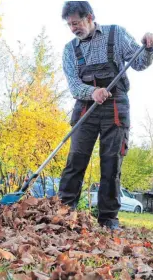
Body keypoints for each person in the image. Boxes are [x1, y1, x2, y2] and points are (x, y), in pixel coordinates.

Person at [58, 1, 153, 230]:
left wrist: (149, 47)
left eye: (76, 23)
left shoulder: (116, 34)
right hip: (85, 107)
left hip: (115, 107)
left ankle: (108, 219)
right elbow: (73, 85)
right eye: (69, 25)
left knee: (111, 163)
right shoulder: (70, 49)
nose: (73, 28)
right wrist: (93, 92)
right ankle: (63, 212)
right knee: (76, 160)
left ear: (89, 17)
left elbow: (139, 63)